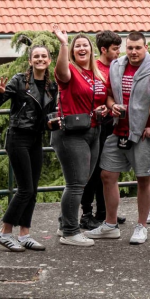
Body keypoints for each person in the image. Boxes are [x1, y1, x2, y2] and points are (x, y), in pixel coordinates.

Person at [94, 32, 150, 245]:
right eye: (130, 48)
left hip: (143, 133)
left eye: (138, 48)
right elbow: (108, 94)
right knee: (107, 174)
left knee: (143, 179)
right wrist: (112, 105)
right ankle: (110, 224)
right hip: (118, 130)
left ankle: (142, 226)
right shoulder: (116, 66)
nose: (134, 52)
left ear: (146, 48)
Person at [0, 43, 58, 252]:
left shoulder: (51, 86)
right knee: (25, 188)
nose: (40, 59)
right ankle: (4, 232)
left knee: (33, 189)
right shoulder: (19, 80)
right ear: (30, 61)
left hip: (36, 139)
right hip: (18, 137)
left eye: (43, 56)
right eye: (36, 56)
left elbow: (49, 114)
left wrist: (51, 123)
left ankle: (25, 233)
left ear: (49, 60)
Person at [51, 29, 108, 247]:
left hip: (94, 130)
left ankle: (63, 224)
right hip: (70, 133)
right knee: (75, 183)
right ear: (73, 52)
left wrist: (102, 109)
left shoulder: (97, 74)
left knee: (81, 182)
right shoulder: (70, 72)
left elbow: (99, 99)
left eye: (85, 45)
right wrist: (64, 44)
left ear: (92, 50)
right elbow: (61, 70)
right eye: (78, 46)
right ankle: (70, 232)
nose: (82, 48)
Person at [80, 31, 122, 231]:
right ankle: (86, 213)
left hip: (111, 124)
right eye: (115, 49)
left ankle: (105, 212)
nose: (118, 52)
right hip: (96, 124)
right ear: (103, 50)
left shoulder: (116, 67)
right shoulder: (94, 68)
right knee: (93, 171)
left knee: (108, 169)